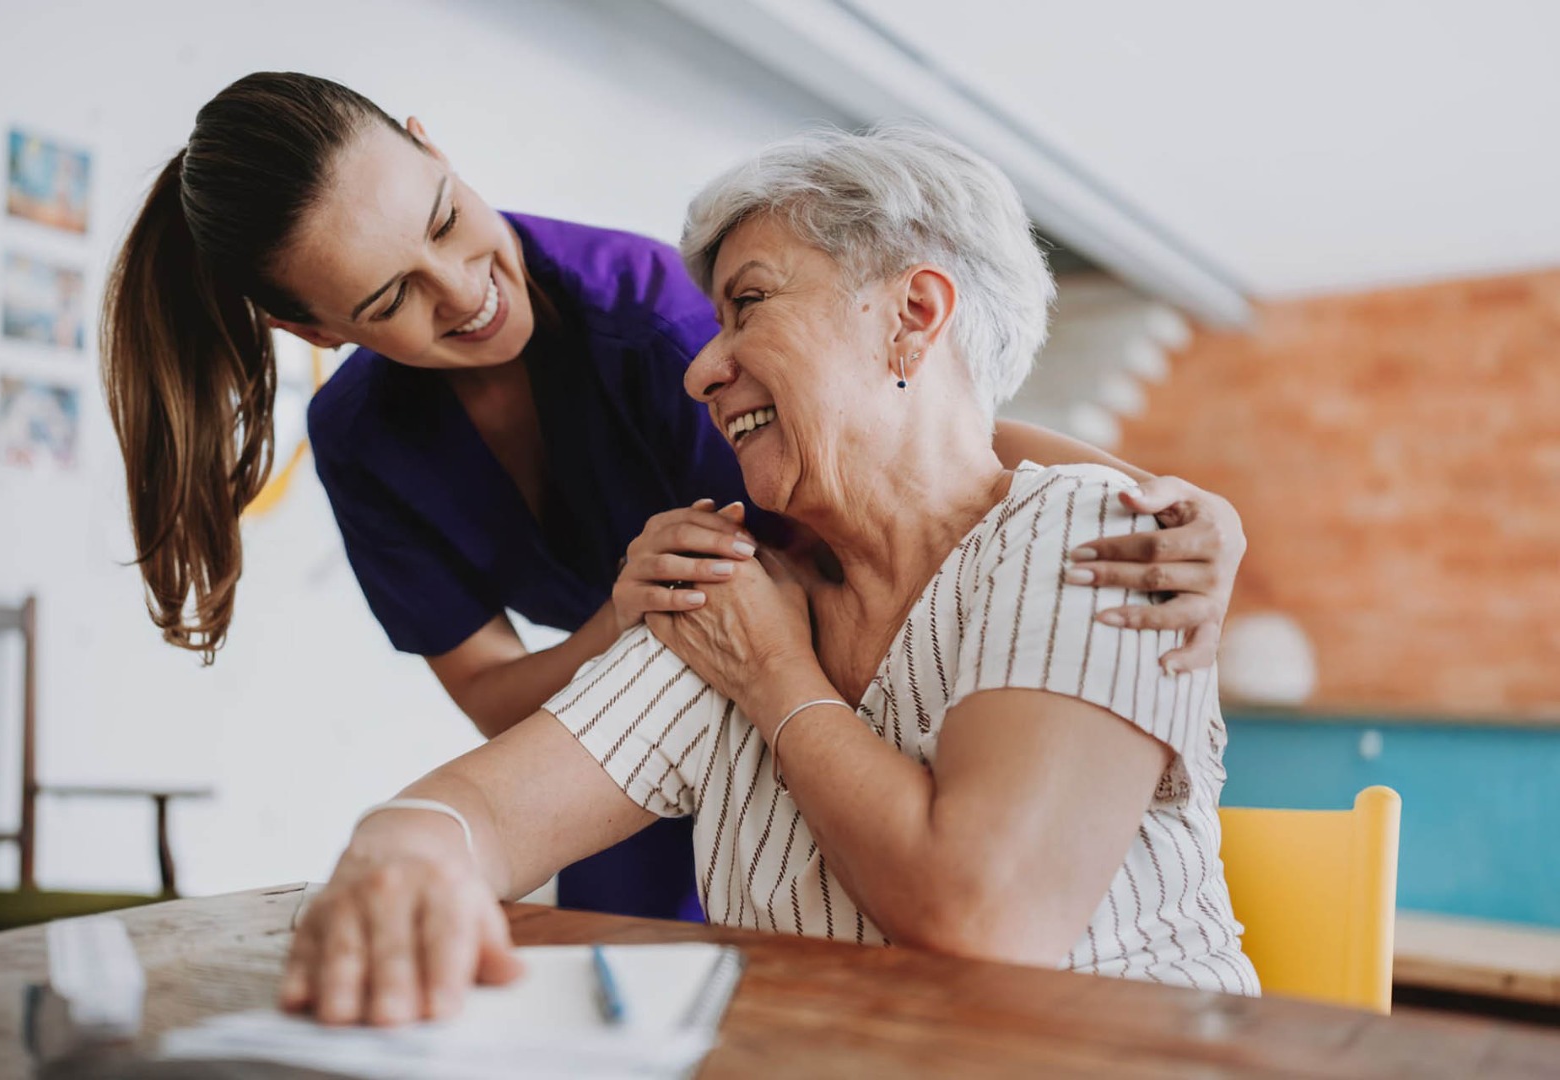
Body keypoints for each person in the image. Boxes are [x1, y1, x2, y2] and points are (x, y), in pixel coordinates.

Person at [100, 72, 1245, 923]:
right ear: (317, 331)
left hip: (751, 682)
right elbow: (496, 747)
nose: (463, 293)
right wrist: (410, 841)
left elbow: (898, 433)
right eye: (392, 294)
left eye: (447, 218)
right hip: (677, 691)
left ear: (431, 145)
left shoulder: (648, 320)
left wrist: (1157, 498)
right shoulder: (362, 440)